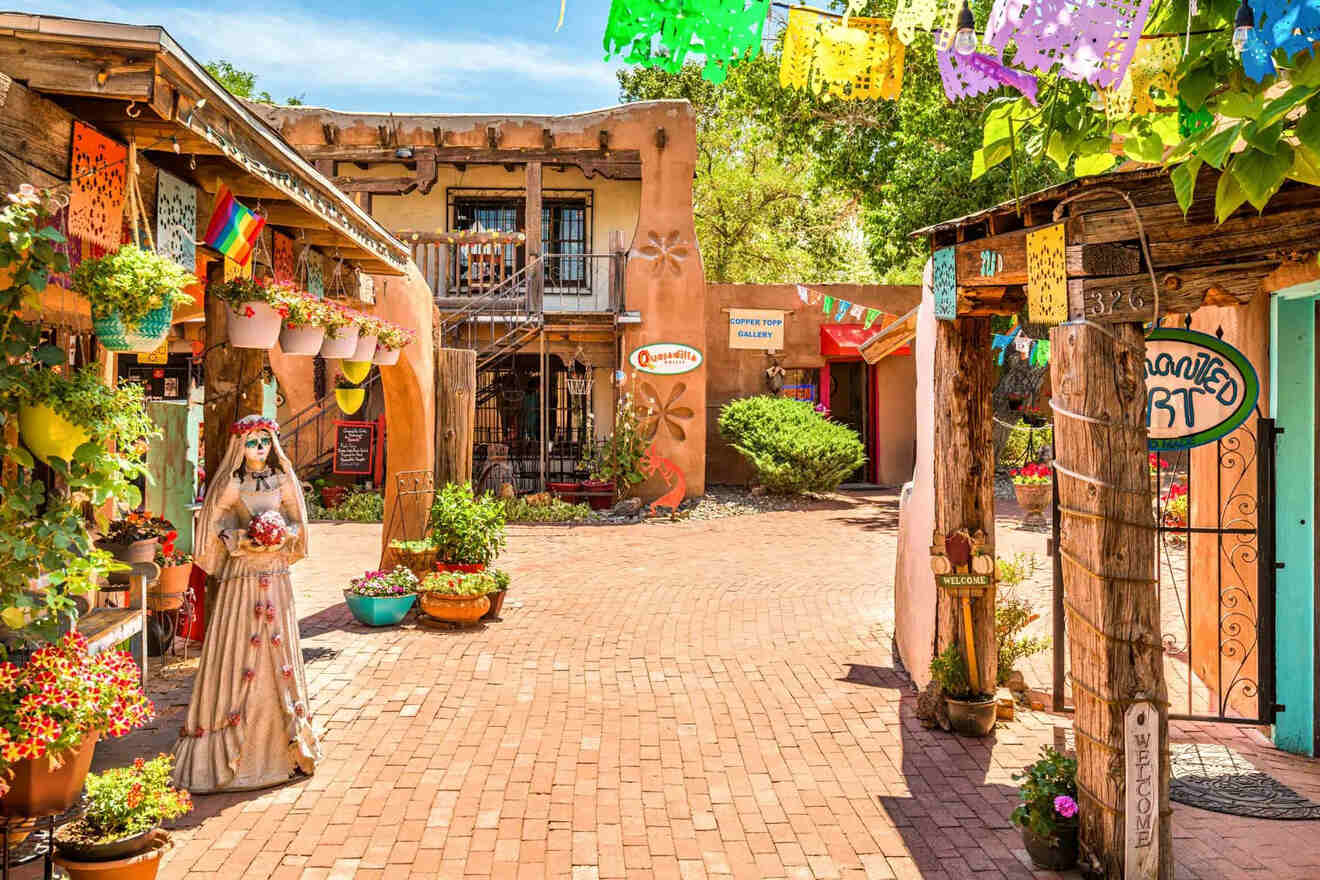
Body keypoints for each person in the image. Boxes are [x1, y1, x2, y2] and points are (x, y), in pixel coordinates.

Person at [173, 415, 321, 792]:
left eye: (265, 442)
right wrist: (240, 537)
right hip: (242, 579)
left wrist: (280, 535)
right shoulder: (231, 483)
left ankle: (282, 749)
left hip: (274, 575)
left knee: (278, 652)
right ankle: (231, 756)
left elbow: (297, 523)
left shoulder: (282, 479)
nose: (260, 449)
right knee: (238, 652)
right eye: (253, 443)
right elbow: (212, 524)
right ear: (240, 447)